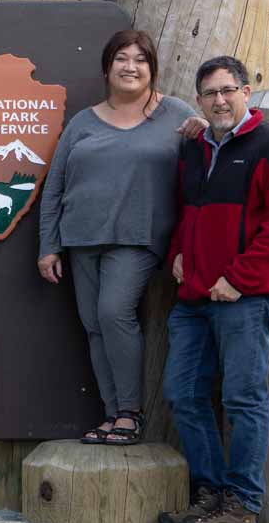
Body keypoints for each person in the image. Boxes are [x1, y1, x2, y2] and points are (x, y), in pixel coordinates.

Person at [156, 55, 269, 523]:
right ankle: (208, 497)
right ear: (199, 99)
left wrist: (239, 278)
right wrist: (178, 254)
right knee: (184, 394)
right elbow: (187, 212)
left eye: (228, 90)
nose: (219, 100)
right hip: (194, 299)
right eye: (210, 93)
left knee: (244, 400)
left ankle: (242, 506)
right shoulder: (195, 149)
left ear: (247, 91)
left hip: (246, 298)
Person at [37, 30, 198, 445]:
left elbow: (201, 175)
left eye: (140, 59)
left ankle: (130, 412)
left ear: (152, 68)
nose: (131, 66)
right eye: (121, 59)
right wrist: (49, 245)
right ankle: (111, 416)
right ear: (107, 68)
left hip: (138, 237)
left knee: (113, 313)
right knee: (93, 326)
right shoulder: (83, 123)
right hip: (81, 237)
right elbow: (54, 186)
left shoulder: (176, 114)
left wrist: (205, 134)